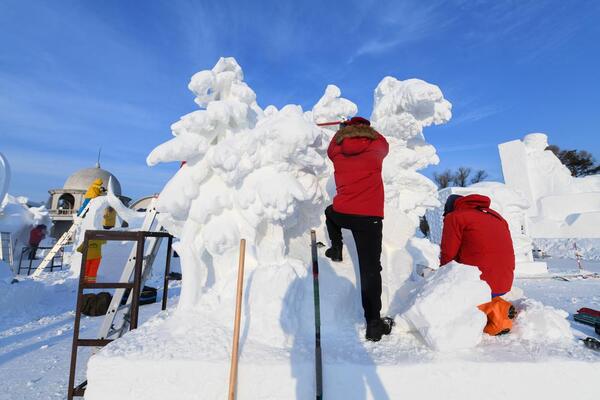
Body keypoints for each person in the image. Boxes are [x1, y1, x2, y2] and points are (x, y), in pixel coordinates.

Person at [324, 116, 394, 342]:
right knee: (370, 270)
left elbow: (331, 147)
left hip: (344, 213)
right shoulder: (376, 147)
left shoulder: (338, 151)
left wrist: (342, 130)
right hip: (369, 218)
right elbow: (385, 143)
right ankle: (373, 323)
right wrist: (366, 129)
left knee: (329, 213)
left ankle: (336, 248)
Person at [440, 194, 517, 335]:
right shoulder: (497, 218)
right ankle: (494, 303)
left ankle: (496, 311)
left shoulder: (455, 217)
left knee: (455, 304)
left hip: (479, 284)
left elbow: (448, 254)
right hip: (504, 281)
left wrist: (442, 278)